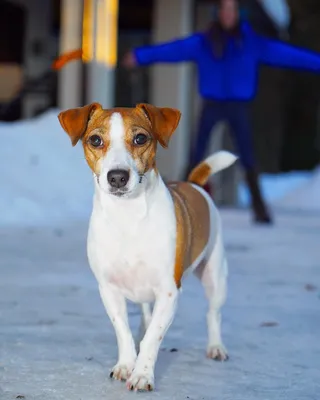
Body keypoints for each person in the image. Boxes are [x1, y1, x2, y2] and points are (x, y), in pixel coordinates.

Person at [123, 0, 320, 224]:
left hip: (239, 106)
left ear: (237, 14)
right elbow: (173, 49)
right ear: (219, 14)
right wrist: (140, 56)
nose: (227, 15)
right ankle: (183, 204)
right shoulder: (204, 42)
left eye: (231, 10)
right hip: (212, 104)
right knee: (197, 153)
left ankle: (259, 208)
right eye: (224, 10)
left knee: (248, 156)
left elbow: (289, 55)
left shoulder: (251, 43)